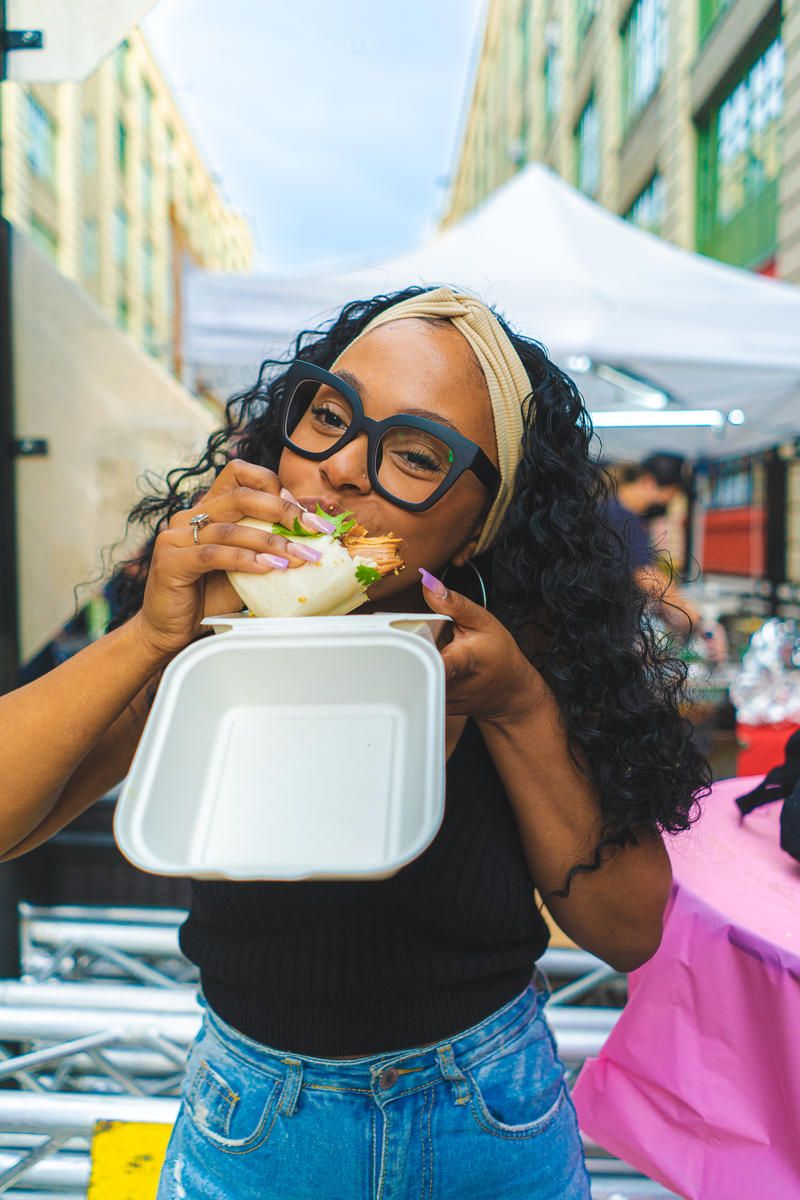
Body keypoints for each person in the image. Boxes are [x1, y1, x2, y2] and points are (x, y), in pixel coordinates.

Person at [0, 286, 709, 1199]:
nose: (337, 469)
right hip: (252, 1123)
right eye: (328, 414)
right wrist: (153, 637)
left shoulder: (512, 650)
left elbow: (631, 931)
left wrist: (522, 706)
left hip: (487, 1117)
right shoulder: (213, 628)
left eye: (415, 454)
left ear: (481, 521)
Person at [608, 453, 726, 659]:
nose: (671, 500)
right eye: (672, 492)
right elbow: (646, 576)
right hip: (605, 638)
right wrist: (695, 618)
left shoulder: (615, 511)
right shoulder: (620, 517)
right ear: (649, 482)